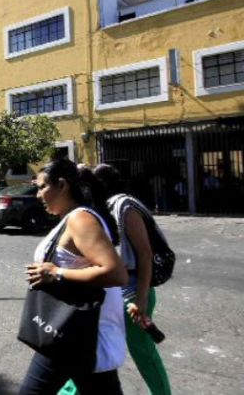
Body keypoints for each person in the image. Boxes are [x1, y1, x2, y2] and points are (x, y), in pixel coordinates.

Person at [19, 158, 128, 395]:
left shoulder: (80, 219)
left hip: (78, 333)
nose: (38, 195)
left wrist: (56, 273)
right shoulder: (70, 218)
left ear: (62, 186)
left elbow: (116, 273)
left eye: (42, 187)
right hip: (68, 332)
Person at [92, 163, 172, 395]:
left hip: (134, 288)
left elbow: (145, 253)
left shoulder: (124, 206)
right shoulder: (106, 207)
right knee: (94, 346)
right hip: (119, 287)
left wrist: (142, 298)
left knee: (142, 351)